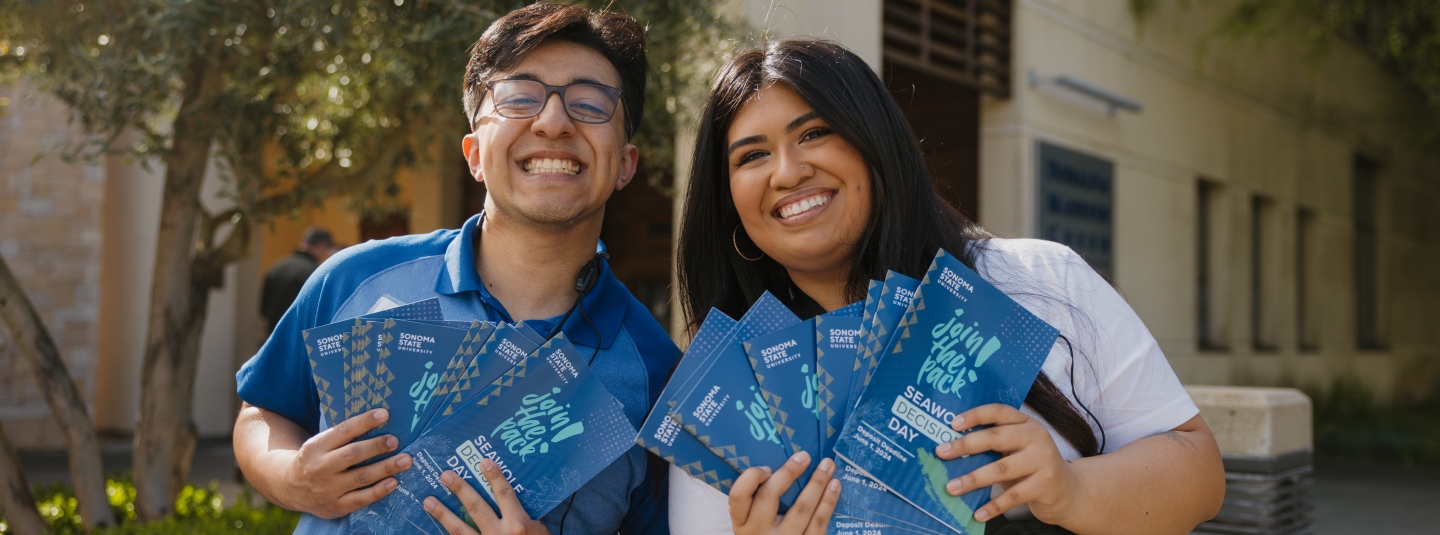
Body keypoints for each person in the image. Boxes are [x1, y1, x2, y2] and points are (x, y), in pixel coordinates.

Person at [671, 39, 1226, 535]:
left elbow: (1199, 473)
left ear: (876, 144)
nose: (787, 172)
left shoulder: (1036, 282)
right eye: (752, 155)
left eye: (815, 132)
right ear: (730, 205)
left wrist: (1070, 489)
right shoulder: (724, 393)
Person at [232, 4, 678, 534]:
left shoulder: (659, 374)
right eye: (520, 97)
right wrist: (291, 476)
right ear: (473, 154)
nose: (554, 122)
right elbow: (262, 413)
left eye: (589, 103)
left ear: (626, 164)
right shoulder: (354, 278)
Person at [260, 227, 340, 334]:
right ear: (322, 246)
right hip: (299, 340)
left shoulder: (276, 267)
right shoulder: (315, 273)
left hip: (273, 337)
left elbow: (263, 310)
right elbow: (318, 313)